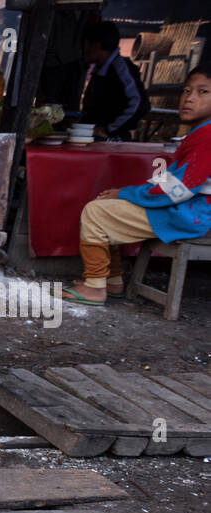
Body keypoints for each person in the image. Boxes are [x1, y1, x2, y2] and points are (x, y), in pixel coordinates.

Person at [57, 65, 211, 306]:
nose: (189, 98)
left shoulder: (207, 136)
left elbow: (177, 189)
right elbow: (172, 181)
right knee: (112, 206)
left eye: (203, 92)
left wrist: (127, 193)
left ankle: (95, 286)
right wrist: (127, 194)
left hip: (193, 214)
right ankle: (113, 281)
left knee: (96, 212)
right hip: (190, 209)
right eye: (186, 90)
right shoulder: (200, 133)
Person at [80, 21, 149, 142]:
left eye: (85, 45)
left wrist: (108, 129)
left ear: (96, 46)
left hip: (114, 139)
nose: (83, 51)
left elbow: (139, 104)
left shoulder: (121, 68)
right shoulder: (99, 69)